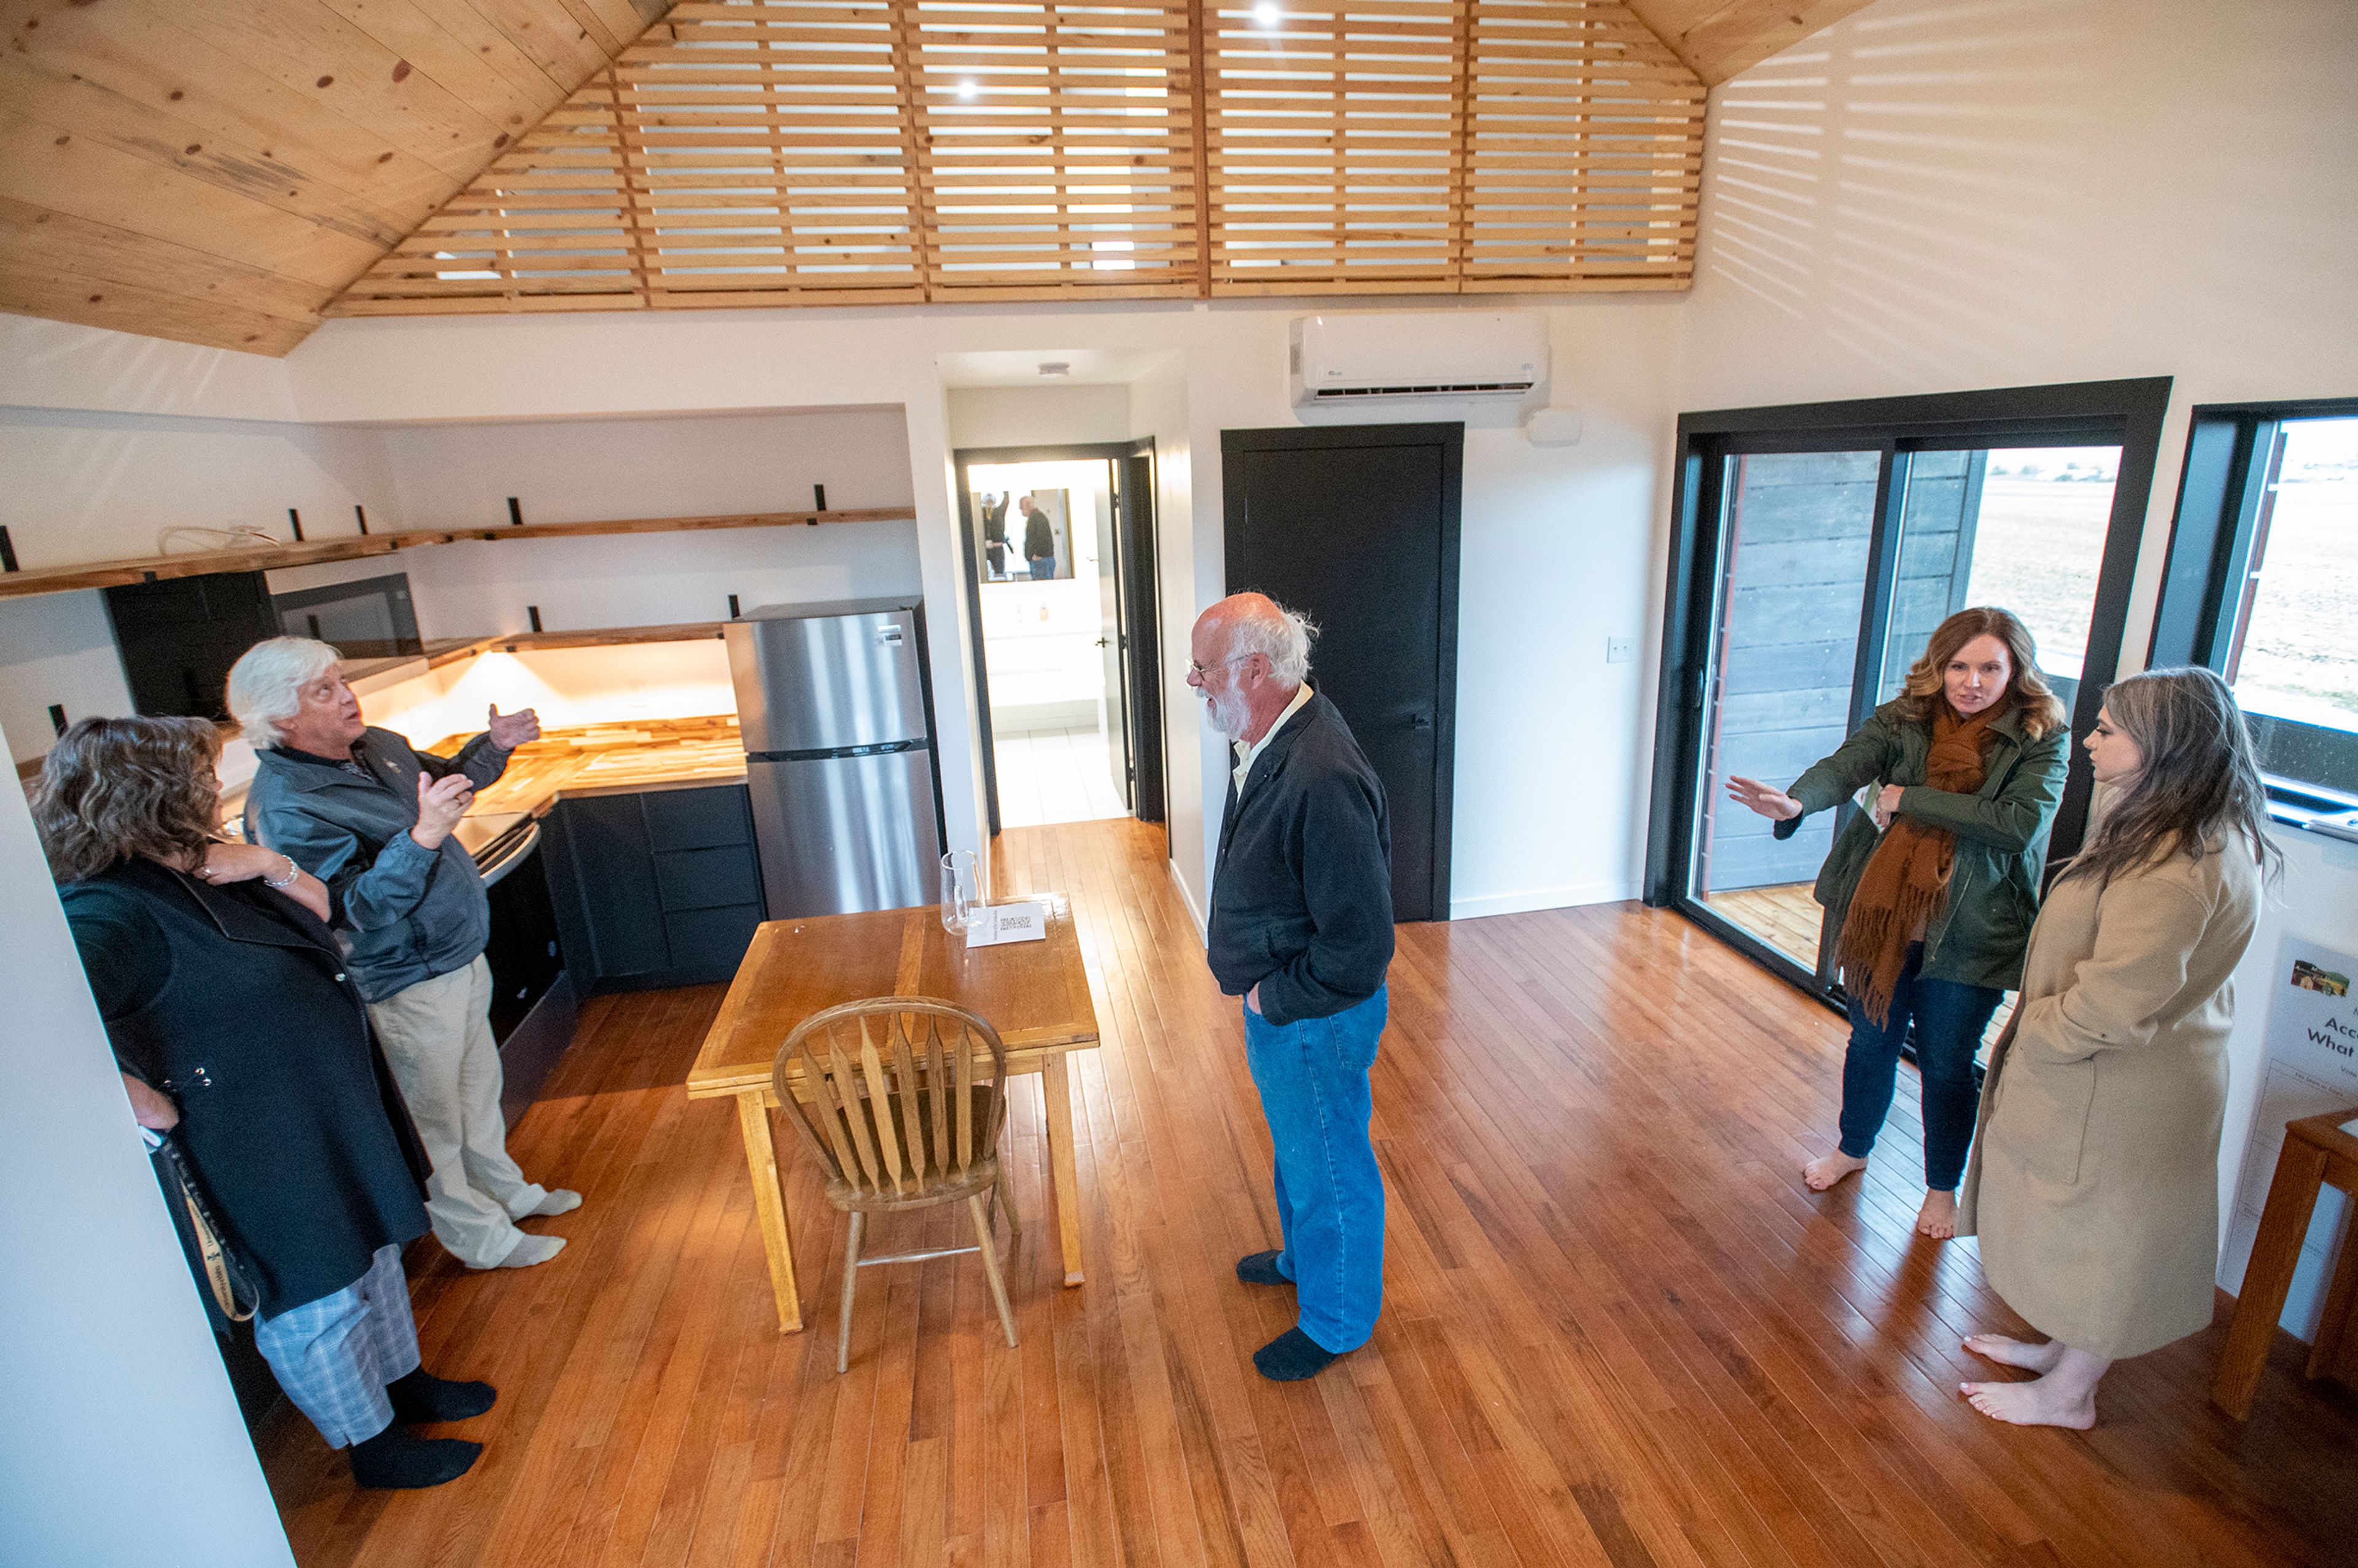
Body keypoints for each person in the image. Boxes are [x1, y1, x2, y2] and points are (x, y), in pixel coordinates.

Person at [37, 716, 496, 1489]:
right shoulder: (107, 909)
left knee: (376, 1254)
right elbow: (42, 1028)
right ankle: (370, 1442)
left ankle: (402, 1381)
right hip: (253, 1132)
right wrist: (136, 1099)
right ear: (151, 795)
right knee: (317, 1288)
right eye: (199, 776)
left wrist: (268, 864)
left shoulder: (194, 864)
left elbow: (322, 913)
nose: (214, 787)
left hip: (318, 1100)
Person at [1958, 667, 2276, 1427]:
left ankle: (2070, 1395)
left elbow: (2113, 1004)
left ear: (2161, 747)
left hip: (2121, 1083)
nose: (2090, 741)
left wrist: (2035, 1029)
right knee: (2087, 1227)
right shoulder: (2171, 827)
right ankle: (2064, 1353)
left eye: (2108, 730)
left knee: (2107, 1239)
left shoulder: (2176, 864)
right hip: (2130, 1074)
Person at [228, 637, 580, 1271]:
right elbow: (350, 907)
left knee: (476, 1093)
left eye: (342, 680)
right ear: (284, 719)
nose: (347, 697)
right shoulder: (287, 805)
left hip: (459, 954)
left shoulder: (378, 745)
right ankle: (483, 1242)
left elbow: (448, 779)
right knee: (433, 1125)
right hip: (405, 980)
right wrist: (423, 836)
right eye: (325, 691)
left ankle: (508, 1192)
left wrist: (493, 745)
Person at [1726, 607, 2070, 1239]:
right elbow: (1848, 764)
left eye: (1990, 668)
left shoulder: (2041, 735)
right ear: (1938, 667)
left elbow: (2017, 824)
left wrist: (1908, 798)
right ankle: (1853, 1147)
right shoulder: (1905, 716)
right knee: (1871, 1044)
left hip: (1971, 928)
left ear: (2016, 670)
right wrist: (1799, 799)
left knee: (1945, 1062)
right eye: (1959, 666)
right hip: (1882, 920)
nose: (1972, 682)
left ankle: (1943, 1187)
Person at [1190, 592, 1393, 1381]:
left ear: (1251, 667)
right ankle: (1310, 1262)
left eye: (1204, 669)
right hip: (1287, 1006)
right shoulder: (1275, 732)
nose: (1196, 682)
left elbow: (1361, 947)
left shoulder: (1322, 772)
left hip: (1313, 1015)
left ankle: (1338, 1320)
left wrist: (1273, 998)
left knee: (1329, 1163)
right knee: (1302, 1150)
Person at [1021, 494, 1056, 580]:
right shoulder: (1036, 517)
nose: (1021, 510)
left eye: (1021, 507)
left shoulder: (1037, 518)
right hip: (1042, 560)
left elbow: (1042, 538)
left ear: (1028, 505)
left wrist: (1037, 555)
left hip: (1041, 561)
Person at [982, 491, 1009, 579]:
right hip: (984, 547)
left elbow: (1006, 501)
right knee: (983, 571)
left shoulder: (999, 511)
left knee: (999, 572)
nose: (989, 504)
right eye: (987, 502)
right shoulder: (981, 512)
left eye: (991, 502)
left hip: (997, 547)